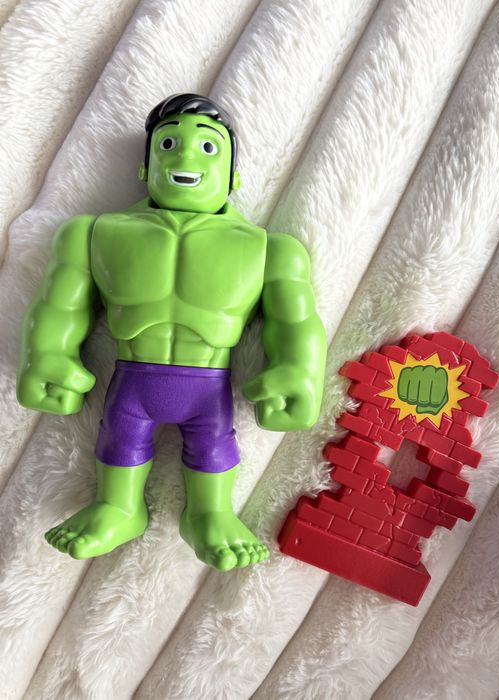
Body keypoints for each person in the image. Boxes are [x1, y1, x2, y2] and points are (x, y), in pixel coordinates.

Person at [17, 93, 327, 571]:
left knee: (214, 447)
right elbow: (59, 304)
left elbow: (296, 321)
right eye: (168, 144)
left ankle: (209, 514)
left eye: (208, 147)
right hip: (131, 379)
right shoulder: (94, 234)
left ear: (234, 175)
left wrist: (298, 371)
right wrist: (49, 355)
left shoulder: (270, 250)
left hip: (209, 385)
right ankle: (119, 507)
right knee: (119, 439)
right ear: (145, 166)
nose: (185, 156)